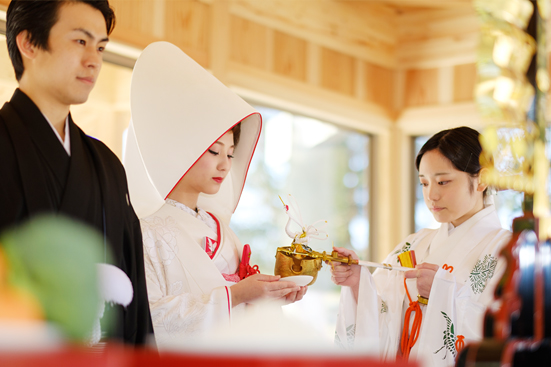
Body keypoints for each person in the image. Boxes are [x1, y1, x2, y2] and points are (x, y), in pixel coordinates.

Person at [123, 42, 306, 350]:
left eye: (231, 154)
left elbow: (244, 306)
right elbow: (149, 316)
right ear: (183, 151)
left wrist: (271, 296)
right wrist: (235, 295)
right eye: (214, 151)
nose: (224, 164)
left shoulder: (221, 229)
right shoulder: (146, 231)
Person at [0, 0, 152, 345]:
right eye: (80, 41)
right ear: (29, 44)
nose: (94, 60)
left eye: (100, 46)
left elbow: (135, 300)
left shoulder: (108, 166)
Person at [331, 127, 510, 367]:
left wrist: (443, 291)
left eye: (443, 181)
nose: (431, 195)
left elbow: (500, 333)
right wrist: (357, 283)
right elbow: (380, 311)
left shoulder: (506, 250)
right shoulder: (415, 242)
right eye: (424, 183)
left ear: (482, 180)